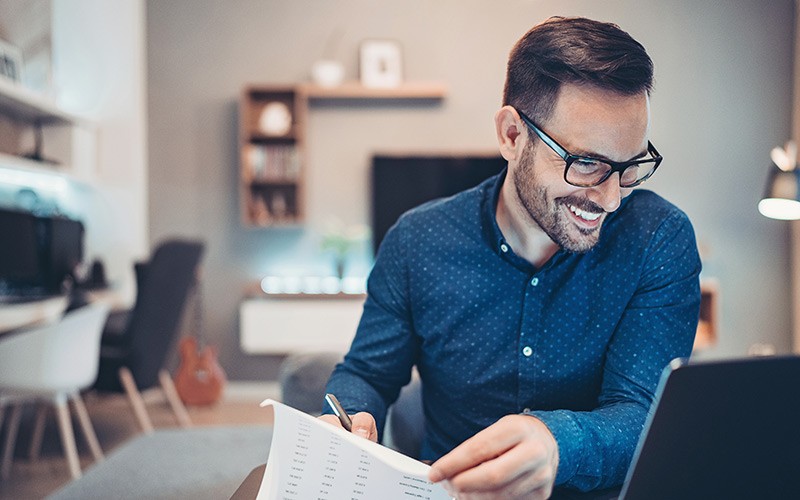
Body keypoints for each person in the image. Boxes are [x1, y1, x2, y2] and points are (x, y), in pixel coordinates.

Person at [321, 16, 701, 499]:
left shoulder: (658, 241)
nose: (611, 199)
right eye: (585, 163)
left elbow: (641, 413)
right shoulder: (417, 241)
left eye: (629, 167)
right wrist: (352, 414)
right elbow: (367, 374)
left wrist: (557, 442)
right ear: (511, 135)